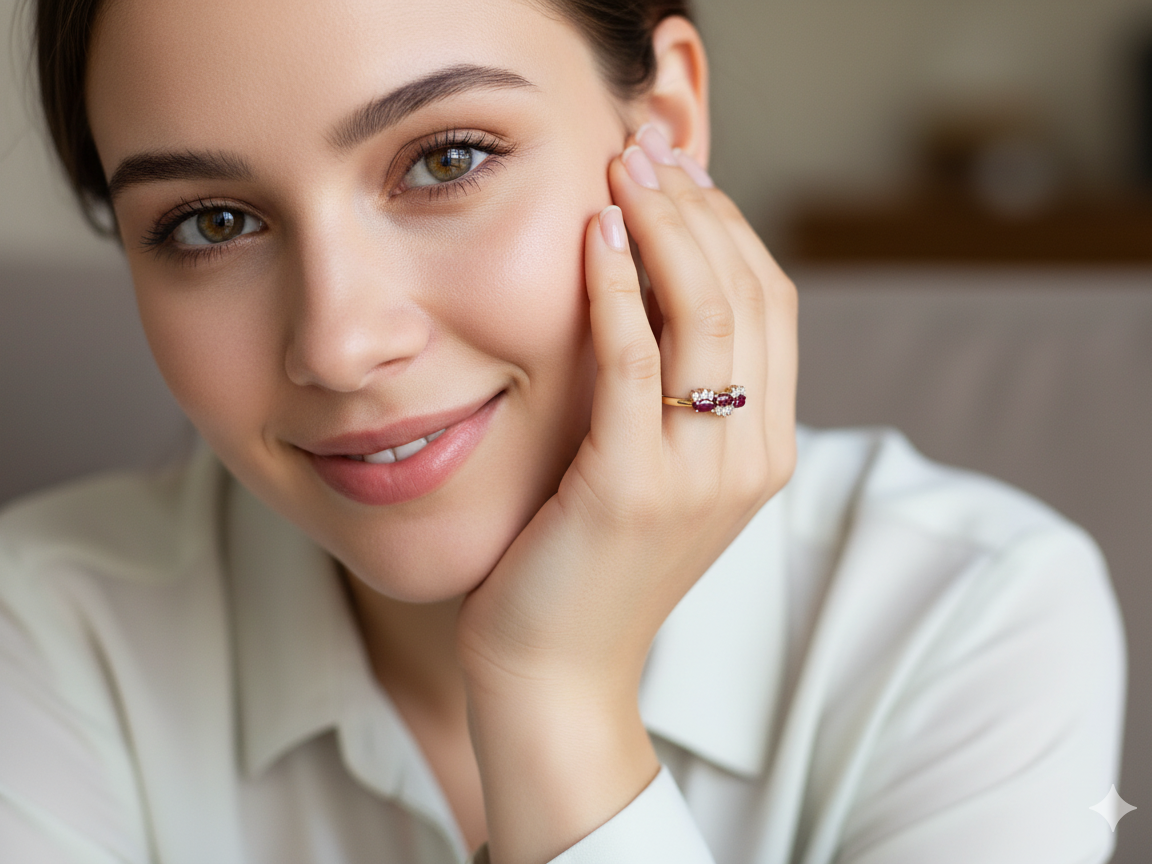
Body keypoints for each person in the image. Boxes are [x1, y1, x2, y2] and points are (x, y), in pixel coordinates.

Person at [1, 0, 1125, 862]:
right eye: (212, 222)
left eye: (447, 160)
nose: (340, 344)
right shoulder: (42, 636)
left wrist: (554, 698)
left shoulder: (970, 617)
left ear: (666, 134)